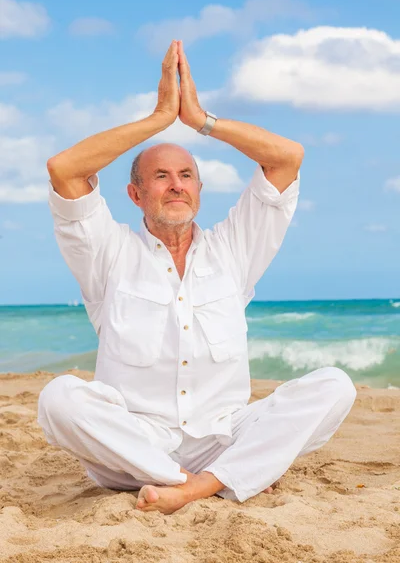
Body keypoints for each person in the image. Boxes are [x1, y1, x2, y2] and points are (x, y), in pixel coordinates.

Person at [38, 40, 356, 515]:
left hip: (224, 438)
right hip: (134, 448)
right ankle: (202, 483)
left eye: (186, 175)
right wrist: (159, 117)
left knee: (335, 385)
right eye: (161, 176)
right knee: (58, 398)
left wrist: (201, 120)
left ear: (200, 190)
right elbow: (64, 169)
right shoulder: (108, 252)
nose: (176, 185)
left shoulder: (233, 249)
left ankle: (193, 485)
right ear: (135, 193)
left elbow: (288, 157)